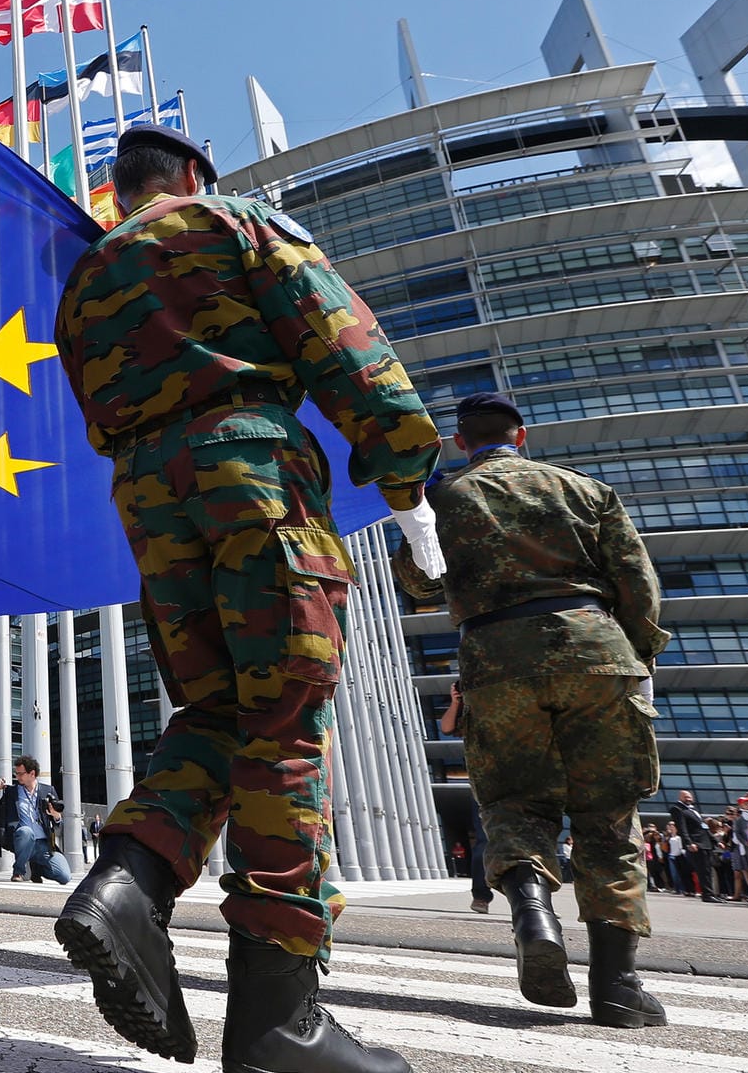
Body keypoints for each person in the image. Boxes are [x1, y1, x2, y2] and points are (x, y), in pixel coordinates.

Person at [52, 125, 441, 1071]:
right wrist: (408, 487)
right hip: (253, 470)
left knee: (219, 709)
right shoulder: (238, 222)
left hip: (148, 492)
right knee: (285, 719)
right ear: (190, 175)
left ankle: (127, 881)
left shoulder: (90, 271)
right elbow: (349, 348)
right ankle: (279, 1014)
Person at [393, 390, 668, 1030]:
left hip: (496, 657)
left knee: (515, 800)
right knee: (608, 816)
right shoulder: (586, 491)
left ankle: (531, 913)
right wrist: (638, 657)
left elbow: (420, 581)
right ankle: (618, 986)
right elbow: (638, 586)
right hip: (595, 648)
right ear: (523, 436)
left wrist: (427, 513)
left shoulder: (446, 497)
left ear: (463, 443)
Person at [439, 683, 493, 914]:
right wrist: (456, 701)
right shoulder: (471, 710)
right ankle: (481, 896)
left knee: (531, 841)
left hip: (519, 781)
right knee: (484, 841)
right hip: (484, 783)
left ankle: (535, 900)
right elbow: (446, 726)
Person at [4, 756, 69, 885]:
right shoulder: (12, 792)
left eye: (20, 773)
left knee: (64, 876)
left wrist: (56, 815)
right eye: (16, 773)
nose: (17, 776)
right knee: (26, 832)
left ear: (32, 773)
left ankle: (36, 869)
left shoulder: (48, 791)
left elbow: (58, 825)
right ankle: (19, 871)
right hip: (23, 840)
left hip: (44, 844)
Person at [669, 790, 719, 902]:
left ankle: (711, 893)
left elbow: (703, 827)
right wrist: (689, 842)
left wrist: (715, 840)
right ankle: (707, 895)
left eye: (690, 797)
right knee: (702, 870)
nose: (689, 799)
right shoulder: (677, 809)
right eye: (686, 797)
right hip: (696, 843)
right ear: (680, 797)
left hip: (706, 842)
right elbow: (682, 828)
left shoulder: (693, 809)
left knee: (708, 870)